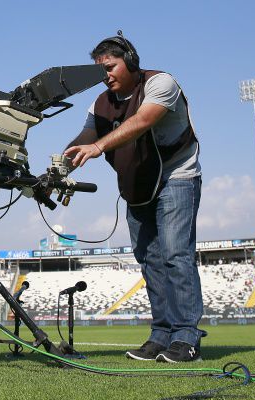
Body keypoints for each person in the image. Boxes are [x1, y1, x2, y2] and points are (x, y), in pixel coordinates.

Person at [63, 32, 205, 362]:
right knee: (150, 259)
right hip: (138, 185)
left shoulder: (161, 84)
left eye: (111, 67)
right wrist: (56, 170)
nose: (106, 75)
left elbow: (142, 121)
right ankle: (161, 334)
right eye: (100, 70)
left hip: (176, 177)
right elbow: (85, 137)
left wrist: (98, 147)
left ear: (130, 61)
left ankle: (186, 337)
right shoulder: (99, 104)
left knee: (174, 253)